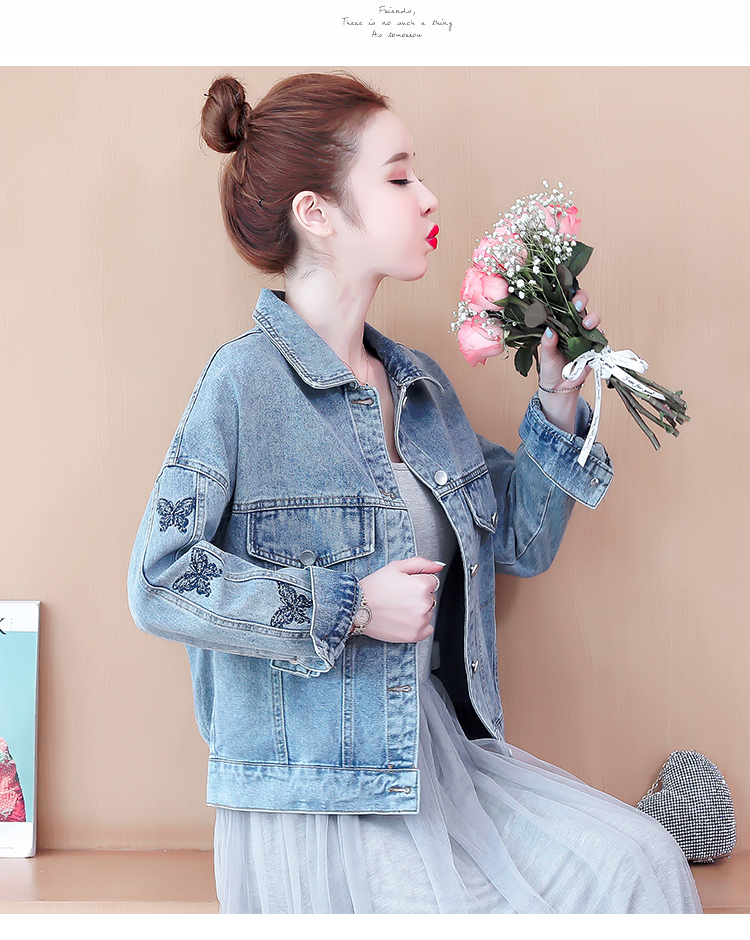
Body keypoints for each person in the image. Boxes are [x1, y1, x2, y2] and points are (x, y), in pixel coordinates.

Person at [127, 71, 702, 914]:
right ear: (317, 213)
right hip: (318, 797)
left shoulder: (420, 387)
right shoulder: (243, 385)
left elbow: (521, 543)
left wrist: (557, 396)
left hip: (439, 760)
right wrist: (350, 606)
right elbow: (161, 577)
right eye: (398, 178)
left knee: (641, 865)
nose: (428, 196)